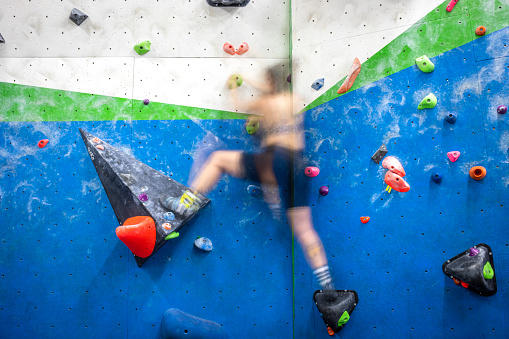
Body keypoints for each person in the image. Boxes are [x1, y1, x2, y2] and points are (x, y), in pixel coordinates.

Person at [160, 67, 335, 290]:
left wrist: (235, 86)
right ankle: (328, 285)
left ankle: (186, 204)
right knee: (304, 229)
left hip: (275, 159)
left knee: (218, 160)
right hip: (298, 165)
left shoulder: (265, 102)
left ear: (270, 82)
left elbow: (239, 107)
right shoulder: (295, 100)